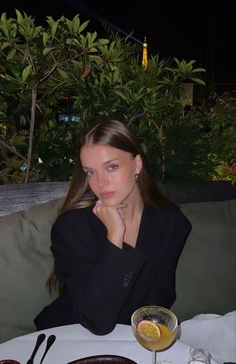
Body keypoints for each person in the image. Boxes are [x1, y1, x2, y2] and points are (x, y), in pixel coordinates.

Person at [34, 119, 191, 335]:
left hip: (133, 339)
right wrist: (115, 235)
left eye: (112, 167)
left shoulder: (171, 223)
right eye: (90, 172)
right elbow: (97, 320)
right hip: (70, 335)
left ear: (136, 164)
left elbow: (159, 299)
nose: (101, 183)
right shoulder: (71, 227)